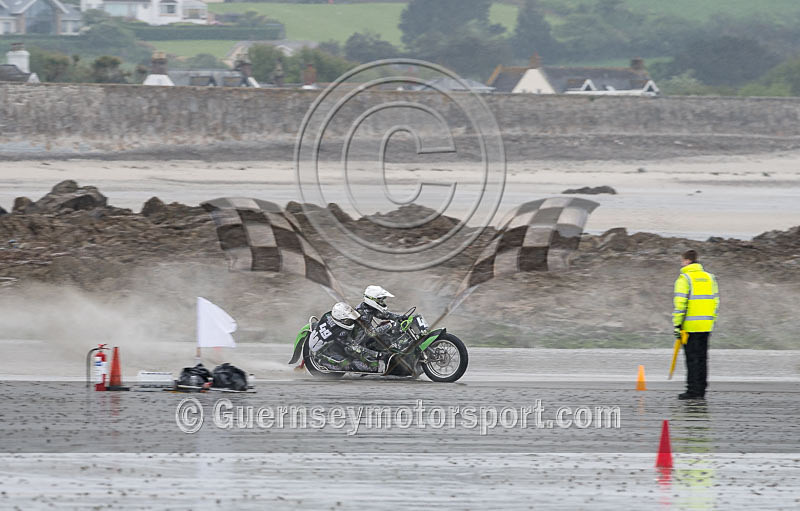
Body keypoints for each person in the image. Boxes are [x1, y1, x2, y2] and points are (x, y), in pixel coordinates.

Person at [673, 249, 720, 400]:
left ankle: (692, 391)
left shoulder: (684, 278)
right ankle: (701, 390)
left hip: (689, 326)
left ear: (686, 261)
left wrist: (677, 325)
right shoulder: (710, 278)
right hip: (706, 325)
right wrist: (711, 319)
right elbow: (716, 302)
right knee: (702, 359)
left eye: (682, 261)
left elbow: (680, 304)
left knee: (691, 359)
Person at [311, 302, 385, 373]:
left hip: (326, 340)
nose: (351, 322)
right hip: (323, 351)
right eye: (348, 320)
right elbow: (353, 347)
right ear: (340, 320)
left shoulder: (328, 315)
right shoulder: (339, 332)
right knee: (348, 365)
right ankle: (323, 362)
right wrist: (377, 354)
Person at [356, 285, 408, 350]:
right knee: (387, 341)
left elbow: (384, 315)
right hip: (358, 344)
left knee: (385, 328)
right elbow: (372, 332)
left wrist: (399, 317)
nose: (382, 302)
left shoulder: (368, 308)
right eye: (380, 300)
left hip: (365, 338)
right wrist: (390, 325)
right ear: (372, 299)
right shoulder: (362, 313)